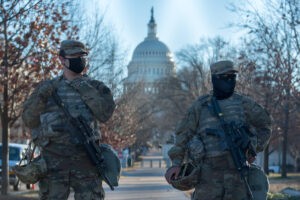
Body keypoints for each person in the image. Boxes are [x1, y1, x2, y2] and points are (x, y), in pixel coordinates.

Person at [22, 40, 115, 200]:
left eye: (82, 56)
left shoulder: (96, 87)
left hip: (86, 161)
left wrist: (84, 88)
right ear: (62, 59)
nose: (79, 59)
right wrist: (41, 96)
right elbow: (29, 120)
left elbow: (105, 114)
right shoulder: (47, 89)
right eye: (74, 56)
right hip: (53, 163)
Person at [165, 60, 272, 200]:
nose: (230, 81)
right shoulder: (200, 106)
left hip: (238, 175)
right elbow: (183, 136)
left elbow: (265, 126)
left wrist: (252, 144)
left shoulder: (244, 104)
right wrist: (176, 164)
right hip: (207, 177)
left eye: (232, 77)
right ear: (214, 78)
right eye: (225, 77)